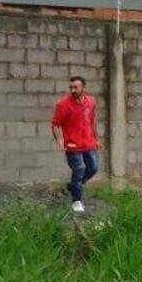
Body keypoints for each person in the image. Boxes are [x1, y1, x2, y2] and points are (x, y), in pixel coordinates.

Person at [50, 75, 101, 214]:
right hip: (72, 146)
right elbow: (55, 125)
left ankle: (74, 186)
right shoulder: (63, 105)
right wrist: (60, 141)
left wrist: (96, 139)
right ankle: (76, 201)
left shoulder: (91, 101)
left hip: (89, 143)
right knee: (79, 170)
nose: (72, 90)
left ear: (84, 88)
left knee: (93, 168)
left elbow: (93, 121)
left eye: (75, 87)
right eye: (71, 87)